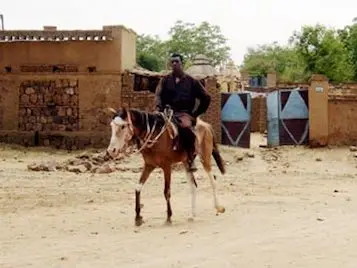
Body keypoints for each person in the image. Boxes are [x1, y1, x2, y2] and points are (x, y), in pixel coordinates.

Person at [155, 53, 211, 172]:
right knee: (153, 125)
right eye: (172, 62)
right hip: (167, 112)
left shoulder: (192, 82)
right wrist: (159, 108)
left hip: (184, 113)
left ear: (182, 64)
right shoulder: (165, 80)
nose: (174, 64)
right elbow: (158, 94)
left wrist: (195, 114)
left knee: (186, 129)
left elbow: (206, 97)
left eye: (177, 62)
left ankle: (190, 158)